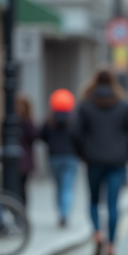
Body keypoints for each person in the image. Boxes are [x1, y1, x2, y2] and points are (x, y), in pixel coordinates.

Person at [71, 67, 128, 255]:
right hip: (117, 161)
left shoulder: (86, 104)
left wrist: (82, 153)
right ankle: (111, 246)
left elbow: (75, 133)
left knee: (94, 201)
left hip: (93, 160)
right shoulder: (123, 104)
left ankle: (97, 235)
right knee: (113, 205)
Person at [40, 89, 80, 227]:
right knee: (67, 188)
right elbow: (79, 138)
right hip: (70, 158)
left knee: (58, 187)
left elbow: (42, 136)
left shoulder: (49, 121)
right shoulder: (74, 121)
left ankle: (60, 213)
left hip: (54, 158)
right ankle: (65, 214)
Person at [15, 95, 38, 206]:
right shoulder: (12, 120)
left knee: (22, 187)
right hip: (16, 159)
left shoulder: (27, 122)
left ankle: (22, 209)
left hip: (24, 160)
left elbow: (34, 136)